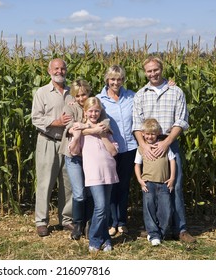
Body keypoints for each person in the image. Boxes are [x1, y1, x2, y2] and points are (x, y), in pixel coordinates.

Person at [132, 56, 196, 243]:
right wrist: (143, 146)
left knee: (173, 185)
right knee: (149, 188)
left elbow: (182, 120)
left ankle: (180, 229)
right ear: (145, 72)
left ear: (161, 69)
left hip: (169, 143)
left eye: (155, 70)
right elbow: (136, 124)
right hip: (147, 144)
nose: (153, 74)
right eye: (149, 71)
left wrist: (166, 142)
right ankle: (155, 229)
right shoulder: (140, 94)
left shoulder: (175, 91)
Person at [59, 79, 109, 240]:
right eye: (78, 95)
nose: (81, 98)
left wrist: (86, 128)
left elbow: (106, 123)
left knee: (89, 192)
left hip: (91, 155)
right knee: (79, 193)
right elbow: (72, 128)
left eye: (84, 94)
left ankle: (89, 223)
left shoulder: (95, 105)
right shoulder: (70, 107)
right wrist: (94, 129)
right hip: (74, 155)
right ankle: (78, 223)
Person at [69, 97, 119, 252]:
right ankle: (94, 239)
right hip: (93, 173)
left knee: (105, 208)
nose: (94, 113)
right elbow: (74, 151)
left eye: (97, 111)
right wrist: (78, 135)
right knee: (100, 206)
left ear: (100, 112)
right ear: (85, 112)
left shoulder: (105, 129)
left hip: (109, 172)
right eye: (90, 111)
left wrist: (102, 134)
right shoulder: (81, 130)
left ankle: (106, 239)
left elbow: (113, 151)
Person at [31, 58, 74, 237]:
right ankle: (41, 221)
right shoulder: (42, 92)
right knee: (45, 183)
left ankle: (66, 219)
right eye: (56, 68)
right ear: (49, 71)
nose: (60, 71)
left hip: (69, 142)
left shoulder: (73, 93)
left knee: (68, 184)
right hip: (48, 141)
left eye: (63, 68)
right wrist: (55, 122)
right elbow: (36, 118)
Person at [95, 65, 137, 236]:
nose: (116, 82)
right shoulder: (100, 99)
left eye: (119, 79)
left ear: (123, 80)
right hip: (110, 149)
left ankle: (122, 222)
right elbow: (87, 109)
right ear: (107, 80)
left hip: (129, 147)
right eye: (112, 79)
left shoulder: (132, 96)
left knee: (124, 185)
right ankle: (112, 222)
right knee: (111, 185)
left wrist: (169, 84)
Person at [134, 118, 175, 246]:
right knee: (149, 208)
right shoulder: (141, 148)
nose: (150, 136)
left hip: (163, 183)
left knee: (166, 209)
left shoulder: (163, 146)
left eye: (153, 133)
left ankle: (161, 232)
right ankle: (153, 234)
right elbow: (137, 165)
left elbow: (172, 161)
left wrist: (172, 178)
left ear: (157, 133)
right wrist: (140, 180)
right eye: (147, 134)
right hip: (148, 184)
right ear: (142, 134)